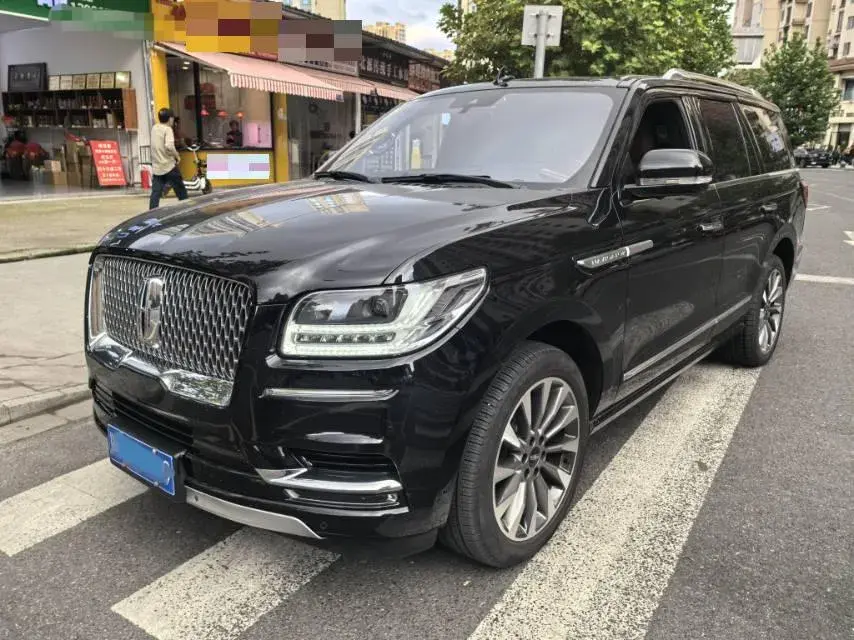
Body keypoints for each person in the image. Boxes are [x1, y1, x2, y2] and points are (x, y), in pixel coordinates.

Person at [149, 107, 187, 209]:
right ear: (170, 119)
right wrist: (177, 155)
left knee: (155, 193)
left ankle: (151, 215)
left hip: (157, 167)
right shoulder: (167, 129)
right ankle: (187, 210)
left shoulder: (154, 128)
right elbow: (169, 146)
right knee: (181, 191)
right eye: (172, 118)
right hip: (168, 166)